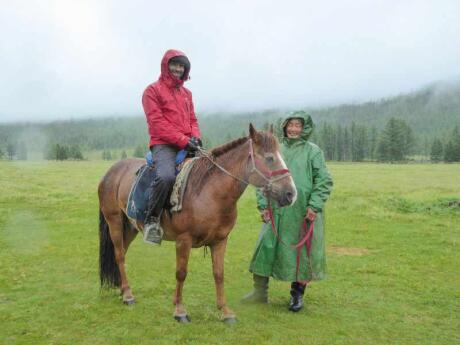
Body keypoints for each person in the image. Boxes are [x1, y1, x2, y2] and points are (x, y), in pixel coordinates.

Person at [243, 111, 333, 312]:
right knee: (265, 248)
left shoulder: (313, 151)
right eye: (290, 125)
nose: (293, 129)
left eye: (298, 125)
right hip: (276, 210)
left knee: (302, 254)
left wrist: (314, 206)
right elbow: (262, 177)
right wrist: (264, 206)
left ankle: (296, 296)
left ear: (304, 128)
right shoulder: (277, 149)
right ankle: (259, 293)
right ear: (284, 126)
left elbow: (324, 180)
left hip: (303, 212)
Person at [142, 49, 202, 245]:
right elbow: (157, 123)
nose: (178, 69)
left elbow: (193, 119)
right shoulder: (152, 91)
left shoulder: (187, 94)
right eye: (174, 64)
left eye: (181, 66)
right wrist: (184, 141)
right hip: (163, 144)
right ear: (166, 66)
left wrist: (195, 136)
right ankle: (151, 220)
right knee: (166, 176)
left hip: (187, 141)